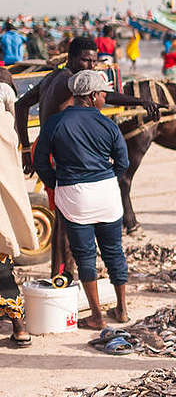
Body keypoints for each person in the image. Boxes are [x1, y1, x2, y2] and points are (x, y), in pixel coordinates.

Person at [14, 37, 157, 279]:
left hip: (46, 148)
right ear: (71, 58)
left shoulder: (52, 76)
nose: (90, 66)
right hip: (59, 153)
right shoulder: (71, 81)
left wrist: (27, 148)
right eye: (85, 60)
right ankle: (63, 275)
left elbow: (21, 105)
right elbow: (105, 97)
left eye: (93, 61)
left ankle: (61, 273)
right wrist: (141, 101)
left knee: (64, 216)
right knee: (67, 218)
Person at [34, 71, 131, 329]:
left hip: (73, 195)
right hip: (107, 194)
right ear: (92, 96)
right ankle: (122, 309)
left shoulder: (55, 123)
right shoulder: (108, 124)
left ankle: (97, 315)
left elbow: (39, 160)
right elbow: (123, 162)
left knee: (85, 255)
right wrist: (106, 177)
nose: (105, 99)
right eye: (103, 94)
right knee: (114, 251)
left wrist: (55, 181)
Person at [0, 82, 38, 347]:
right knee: (3, 268)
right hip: (2, 212)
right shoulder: (5, 128)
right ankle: (19, 327)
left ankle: (19, 325)